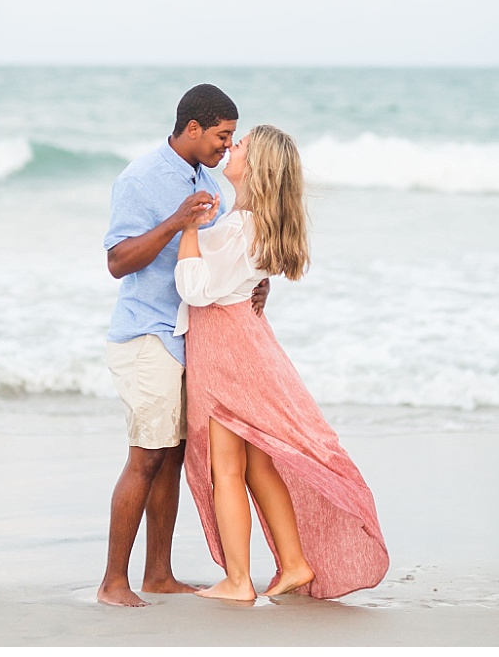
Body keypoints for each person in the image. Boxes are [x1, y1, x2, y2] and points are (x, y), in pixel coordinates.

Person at [175, 125, 388, 601]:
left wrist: (187, 229)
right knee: (257, 464)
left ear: (257, 167)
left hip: (224, 351)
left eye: (241, 145)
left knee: (226, 468)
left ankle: (237, 581)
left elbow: (194, 289)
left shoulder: (235, 227)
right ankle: (292, 563)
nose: (231, 148)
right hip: (245, 344)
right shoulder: (250, 224)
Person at [97, 83, 268, 607]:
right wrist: (176, 220)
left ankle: (158, 574)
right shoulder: (141, 178)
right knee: (145, 457)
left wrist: (252, 283)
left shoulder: (204, 178)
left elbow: (209, 263)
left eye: (230, 137)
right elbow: (117, 261)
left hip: (183, 337)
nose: (226, 145)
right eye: (222, 135)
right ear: (192, 128)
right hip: (146, 333)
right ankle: (112, 583)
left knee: (170, 458)